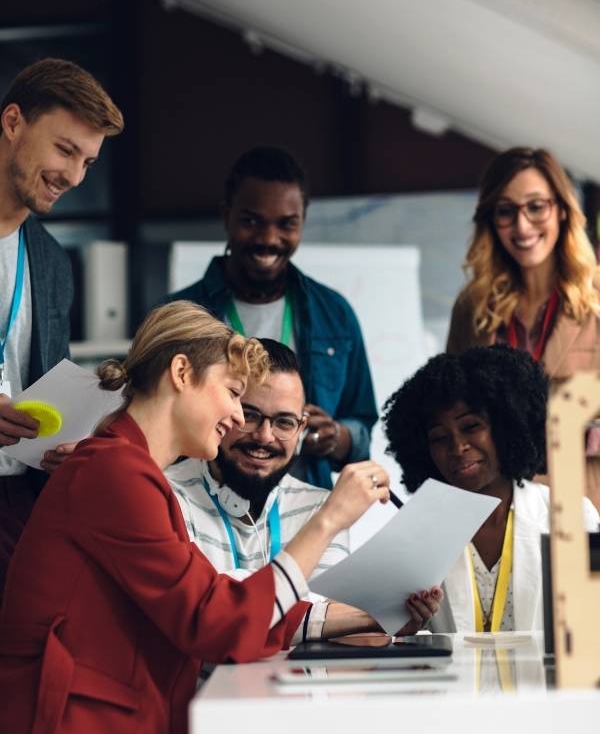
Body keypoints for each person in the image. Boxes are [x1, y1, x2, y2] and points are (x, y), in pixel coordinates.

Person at [0, 301, 396, 734]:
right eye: (231, 391)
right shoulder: (115, 472)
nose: (239, 416)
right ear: (182, 373)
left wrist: (362, 615)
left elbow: (209, 601)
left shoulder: (129, 470)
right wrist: (328, 521)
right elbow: (215, 621)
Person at [167, 338, 439, 647]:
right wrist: (355, 615)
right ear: (226, 411)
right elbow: (219, 615)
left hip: (300, 690)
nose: (264, 437)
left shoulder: (318, 504)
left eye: (284, 422)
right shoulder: (169, 494)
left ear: (301, 428)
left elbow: (332, 619)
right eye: (250, 415)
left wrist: (391, 615)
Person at [168, 146, 377, 489]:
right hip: (196, 506)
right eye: (251, 221)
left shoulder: (335, 314)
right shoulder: (178, 314)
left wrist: (337, 436)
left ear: (303, 222)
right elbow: (148, 420)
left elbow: (363, 427)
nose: (268, 239)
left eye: (286, 224)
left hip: (304, 510)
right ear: (226, 215)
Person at [0, 58, 124, 596]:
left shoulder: (50, 261)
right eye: (65, 150)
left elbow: (51, 379)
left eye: (88, 162)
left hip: (17, 504)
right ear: (12, 123)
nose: (73, 177)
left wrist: (67, 442)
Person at [382, 345, 599, 632]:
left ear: (508, 425)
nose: (458, 447)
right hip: (452, 677)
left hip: (547, 678)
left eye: (471, 426)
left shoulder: (570, 514)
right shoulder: (417, 529)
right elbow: (396, 633)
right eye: (439, 437)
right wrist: (407, 624)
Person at [446, 146, 600, 507]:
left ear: (562, 210)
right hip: (499, 507)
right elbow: (450, 407)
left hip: (586, 507)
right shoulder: (473, 306)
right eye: (506, 211)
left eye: (536, 206)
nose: (522, 225)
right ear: (490, 220)